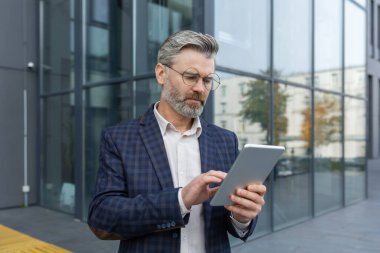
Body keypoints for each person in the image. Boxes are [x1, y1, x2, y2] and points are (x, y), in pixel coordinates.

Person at [87, 30, 267, 253]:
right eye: (191, 77)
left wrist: (241, 216)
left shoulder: (225, 141)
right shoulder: (119, 138)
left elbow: (232, 222)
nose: (200, 88)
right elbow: (102, 218)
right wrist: (180, 200)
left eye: (208, 80)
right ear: (161, 73)